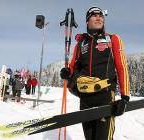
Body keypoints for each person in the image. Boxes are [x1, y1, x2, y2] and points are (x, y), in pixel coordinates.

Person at [60, 7, 130, 140]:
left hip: (105, 97)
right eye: (94, 15)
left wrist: (125, 97)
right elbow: (73, 68)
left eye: (101, 16)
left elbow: (122, 68)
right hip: (85, 98)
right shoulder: (80, 44)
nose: (99, 18)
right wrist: (67, 73)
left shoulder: (112, 39)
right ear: (87, 21)